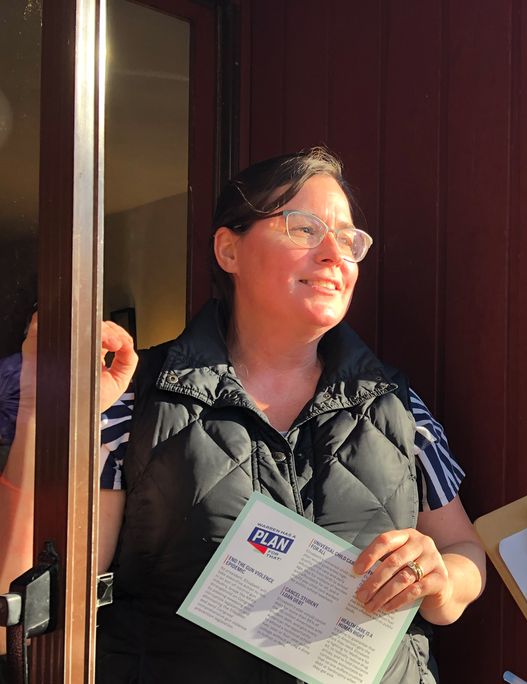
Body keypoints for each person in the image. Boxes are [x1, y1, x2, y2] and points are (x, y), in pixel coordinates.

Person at [1, 148, 485, 683]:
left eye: (348, 239)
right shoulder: (136, 402)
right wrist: (35, 412)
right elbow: (31, 599)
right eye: (304, 228)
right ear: (229, 250)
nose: (334, 254)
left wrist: (442, 581)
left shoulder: (394, 403)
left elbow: (463, 549)